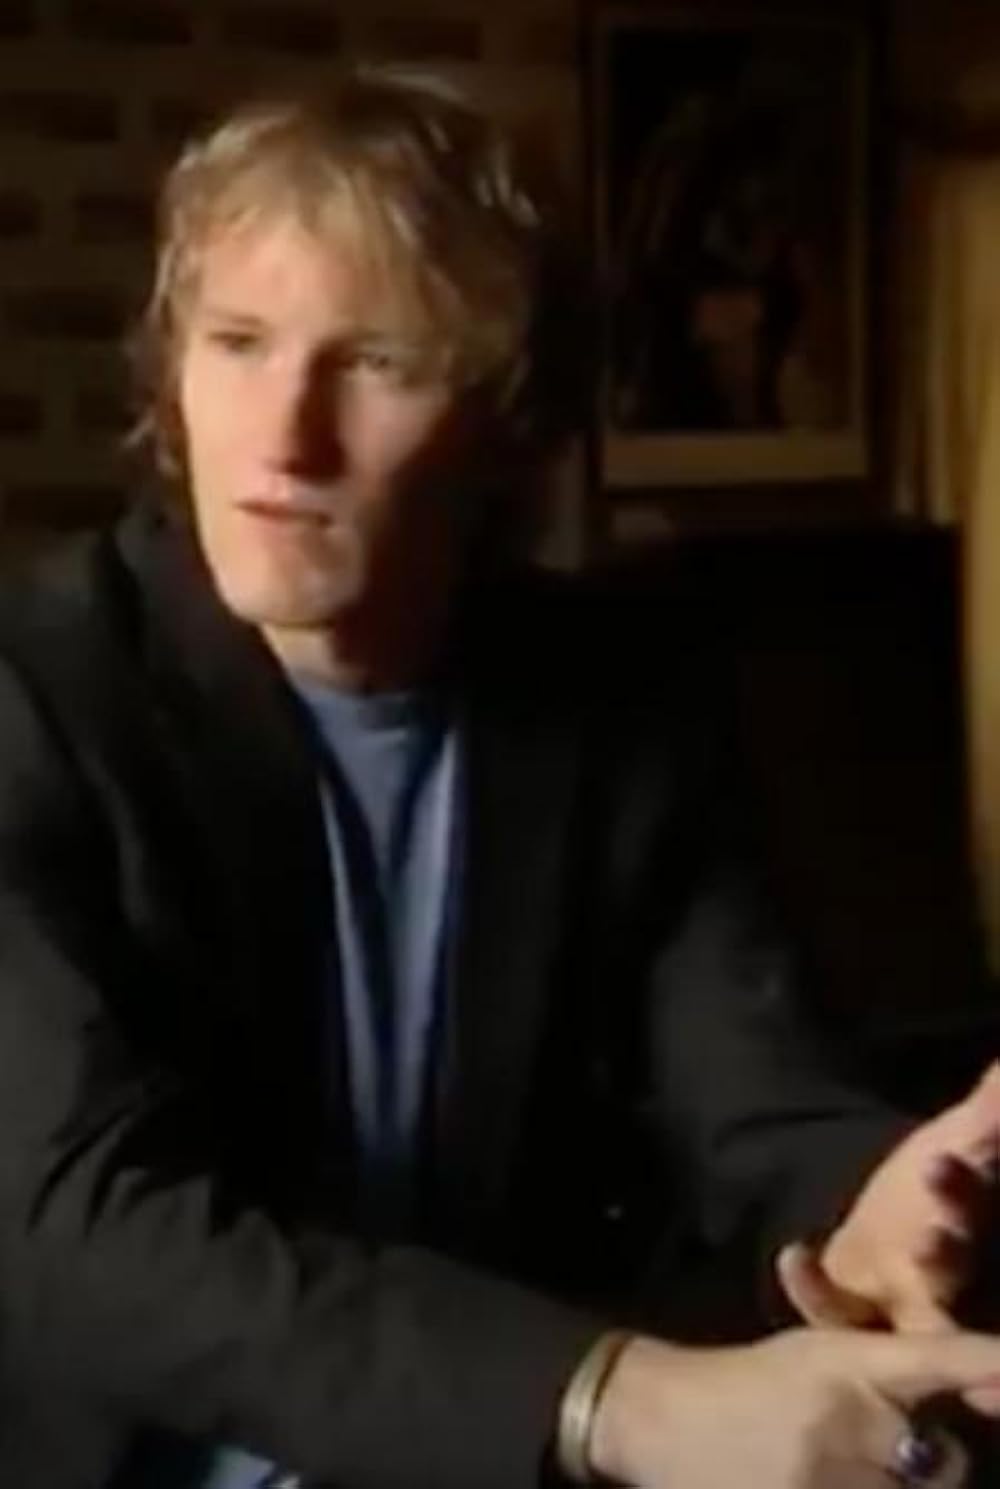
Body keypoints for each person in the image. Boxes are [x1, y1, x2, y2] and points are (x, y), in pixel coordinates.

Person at [0, 63, 997, 1489]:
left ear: (510, 413)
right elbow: (88, 1226)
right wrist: (624, 1401)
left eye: (377, 364)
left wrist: (870, 1201)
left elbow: (753, 1097)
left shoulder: (619, 700)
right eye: (238, 344)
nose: (284, 440)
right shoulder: (37, 695)